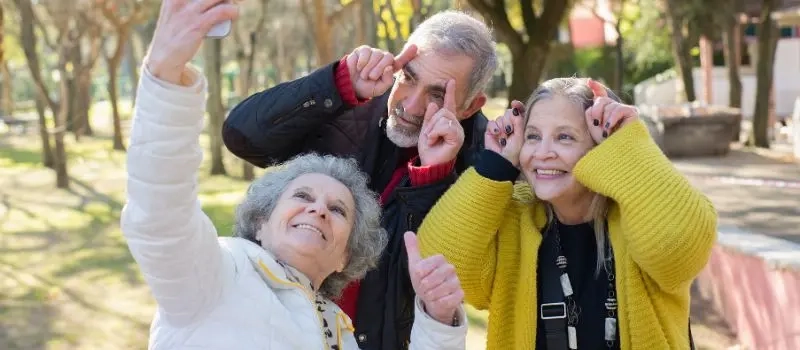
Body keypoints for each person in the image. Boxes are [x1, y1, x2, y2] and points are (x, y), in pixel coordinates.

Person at [121, 1, 468, 348]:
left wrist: (439, 323)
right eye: (302, 196)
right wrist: (165, 74)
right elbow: (159, 213)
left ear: (346, 256)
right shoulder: (216, 277)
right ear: (260, 222)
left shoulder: (340, 334)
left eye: (337, 210)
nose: (317, 210)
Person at [222, 9, 498, 349]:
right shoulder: (351, 103)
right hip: (276, 330)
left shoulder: (486, 166)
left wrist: (432, 178)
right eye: (408, 77)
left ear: (471, 107)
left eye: (437, 95)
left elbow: (421, 278)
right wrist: (338, 83)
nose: (411, 105)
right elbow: (241, 136)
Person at [415, 77, 718, 349]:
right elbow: (441, 261)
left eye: (565, 137)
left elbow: (678, 249)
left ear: (603, 144)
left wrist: (628, 143)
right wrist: (496, 164)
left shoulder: (640, 215)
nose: (543, 152)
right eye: (532, 136)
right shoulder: (515, 217)